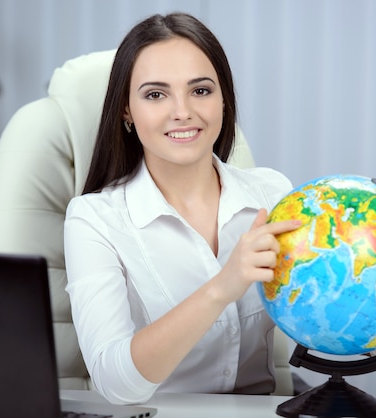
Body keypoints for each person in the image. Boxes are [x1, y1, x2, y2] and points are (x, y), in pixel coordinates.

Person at [64, 12, 299, 405]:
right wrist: (221, 289)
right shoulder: (94, 219)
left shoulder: (273, 194)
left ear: (224, 99)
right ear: (126, 110)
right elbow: (114, 381)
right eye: (156, 94)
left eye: (201, 91)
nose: (183, 112)